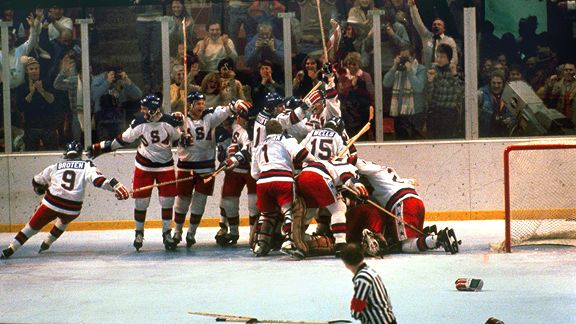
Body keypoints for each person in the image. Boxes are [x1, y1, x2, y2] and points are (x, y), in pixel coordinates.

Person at [0, 141, 129, 259]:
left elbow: (36, 180)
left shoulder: (55, 166)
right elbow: (98, 181)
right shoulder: (87, 165)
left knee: (31, 228)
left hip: (51, 204)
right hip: (72, 209)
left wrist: (40, 189)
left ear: (66, 154)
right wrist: (114, 187)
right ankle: (47, 242)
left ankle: (12, 248)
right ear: (79, 154)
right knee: (63, 221)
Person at [87, 95, 182, 252]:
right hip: (144, 166)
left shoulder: (169, 122)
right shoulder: (139, 122)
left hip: (165, 166)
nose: (142, 111)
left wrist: (183, 129)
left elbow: (180, 139)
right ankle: (139, 233)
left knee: (167, 202)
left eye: (145, 108)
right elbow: (123, 139)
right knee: (141, 202)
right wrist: (102, 147)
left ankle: (167, 233)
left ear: (153, 110)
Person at [172, 92, 249, 248]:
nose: (201, 106)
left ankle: (191, 233)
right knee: (182, 201)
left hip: (206, 166)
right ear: (189, 105)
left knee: (199, 202)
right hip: (185, 166)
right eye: (197, 103)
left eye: (202, 103)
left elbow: (228, 110)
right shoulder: (180, 119)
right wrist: (179, 136)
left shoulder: (210, 117)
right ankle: (177, 232)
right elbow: (169, 131)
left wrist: (236, 103)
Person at [250, 120, 316, 257]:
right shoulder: (285, 139)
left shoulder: (259, 145)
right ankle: (289, 242)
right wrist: (315, 161)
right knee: (288, 212)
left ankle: (260, 244)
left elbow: (254, 173)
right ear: (280, 130)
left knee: (266, 214)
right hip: (283, 179)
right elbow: (301, 154)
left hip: (263, 181)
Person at [215, 107, 258, 246]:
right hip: (235, 170)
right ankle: (232, 231)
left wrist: (232, 156)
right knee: (228, 201)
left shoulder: (253, 132)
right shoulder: (236, 125)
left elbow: (247, 152)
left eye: (240, 116)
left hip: (251, 169)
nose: (236, 119)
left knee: (254, 204)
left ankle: (254, 233)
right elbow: (221, 117)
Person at [340, 243, 397, 324]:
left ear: (346, 263)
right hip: (389, 319)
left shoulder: (362, 278)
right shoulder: (370, 271)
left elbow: (356, 311)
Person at [15, 56, 59, 151]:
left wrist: (42, 91)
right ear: (27, 71)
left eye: (36, 68)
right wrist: (31, 93)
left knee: (52, 152)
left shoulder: (47, 83)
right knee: (31, 153)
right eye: (31, 69)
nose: (34, 71)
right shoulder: (22, 87)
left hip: (48, 125)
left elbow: (53, 101)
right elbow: (21, 107)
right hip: (31, 126)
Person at [383, 46, 426, 140]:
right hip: (399, 114)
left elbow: (419, 88)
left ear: (413, 57)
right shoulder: (397, 70)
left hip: (415, 114)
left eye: (406, 58)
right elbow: (386, 83)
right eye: (401, 57)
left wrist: (410, 71)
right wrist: (394, 67)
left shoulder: (420, 69)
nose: (403, 60)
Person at [425, 44, 463, 139]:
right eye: (437, 56)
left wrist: (454, 74)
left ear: (449, 58)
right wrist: (430, 81)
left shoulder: (456, 71)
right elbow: (428, 96)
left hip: (449, 113)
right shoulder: (433, 69)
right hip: (435, 112)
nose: (439, 59)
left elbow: (461, 93)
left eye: (442, 57)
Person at [408, 0, 458, 68]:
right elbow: (418, 23)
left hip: (444, 75)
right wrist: (412, 7)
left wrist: (441, 65)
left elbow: (455, 60)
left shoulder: (450, 41)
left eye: (439, 24)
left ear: (444, 29)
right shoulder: (426, 37)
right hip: (428, 74)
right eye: (434, 24)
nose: (436, 26)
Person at [478, 72, 517, 137]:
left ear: (503, 84)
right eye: (493, 83)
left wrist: (510, 120)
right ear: (490, 83)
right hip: (485, 135)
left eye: (499, 83)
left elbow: (514, 116)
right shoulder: (481, 94)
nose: (496, 86)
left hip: (504, 134)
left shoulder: (509, 96)